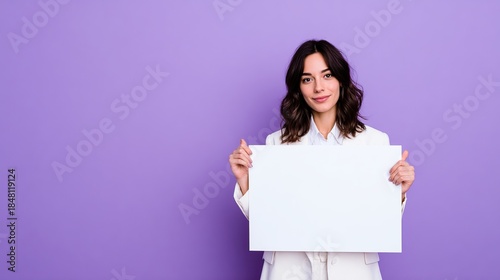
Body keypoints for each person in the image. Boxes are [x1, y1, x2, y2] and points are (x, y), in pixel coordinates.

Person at [229, 39, 415, 280]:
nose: (319, 87)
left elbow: (377, 222)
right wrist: (245, 181)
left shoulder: (375, 143)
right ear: (298, 88)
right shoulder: (276, 144)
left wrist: (398, 192)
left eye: (327, 76)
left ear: (341, 80)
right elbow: (268, 223)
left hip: (353, 270)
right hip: (290, 270)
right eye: (308, 79)